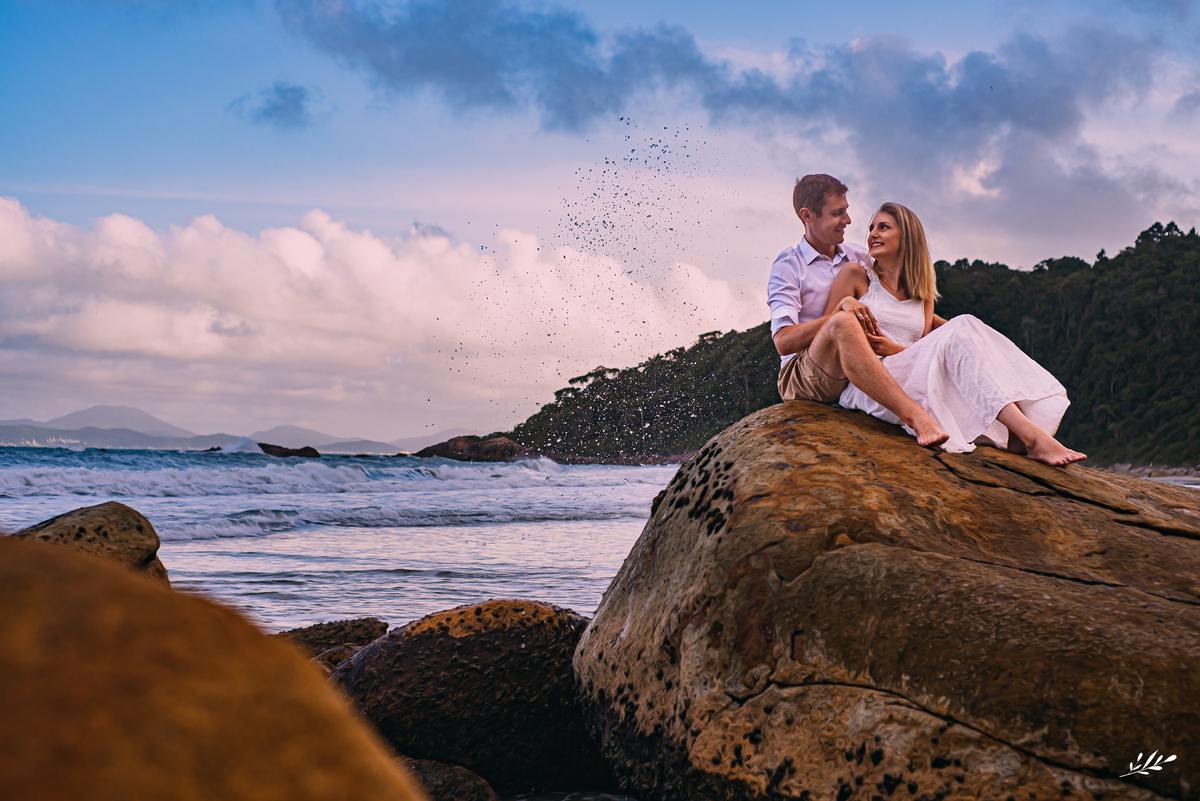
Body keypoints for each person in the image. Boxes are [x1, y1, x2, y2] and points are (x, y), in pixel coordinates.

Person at [825, 201, 1086, 466]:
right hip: (874, 384)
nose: (872, 234)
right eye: (871, 228)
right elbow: (826, 332)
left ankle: (1023, 432)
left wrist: (896, 350)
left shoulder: (922, 294)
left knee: (967, 324)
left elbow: (924, 350)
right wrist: (845, 303)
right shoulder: (856, 274)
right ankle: (1031, 436)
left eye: (883, 227)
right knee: (962, 324)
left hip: (913, 377)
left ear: (907, 237)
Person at [767, 175, 949, 446]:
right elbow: (783, 342)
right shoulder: (788, 265)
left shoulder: (859, 256)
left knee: (962, 332)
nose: (848, 221)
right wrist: (842, 309)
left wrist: (953, 331)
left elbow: (896, 307)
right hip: (805, 373)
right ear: (807, 215)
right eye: (837, 213)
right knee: (843, 323)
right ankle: (914, 417)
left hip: (854, 367)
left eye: (847, 210)